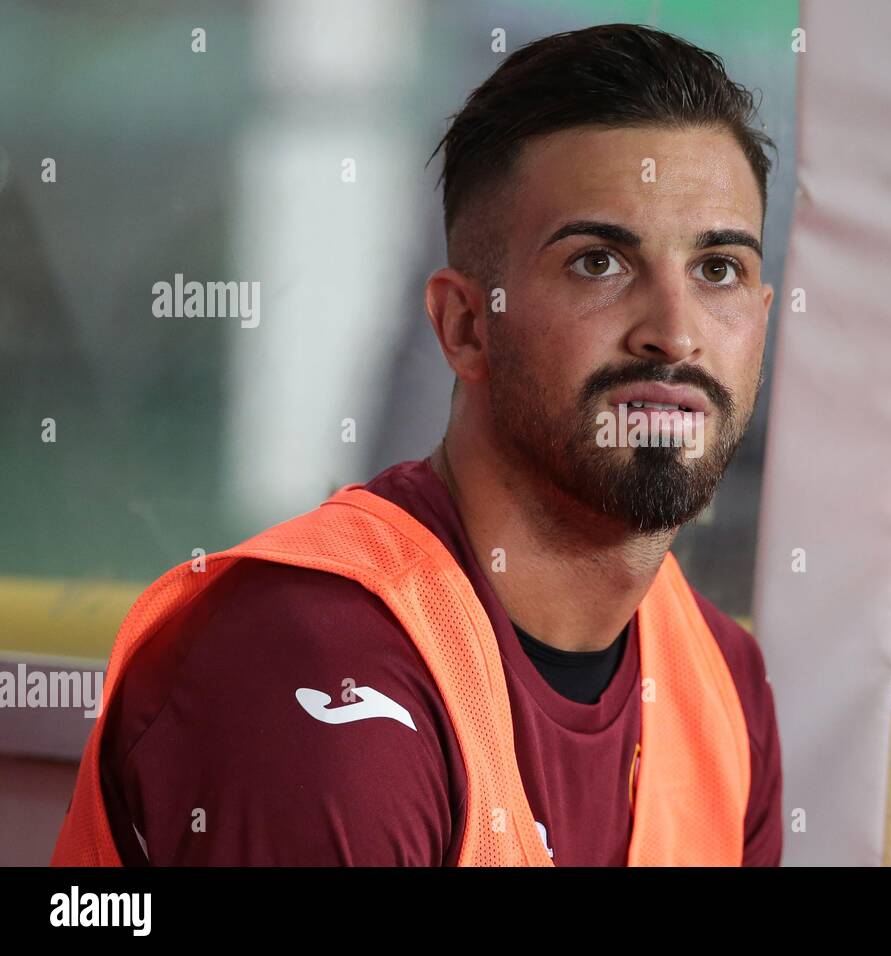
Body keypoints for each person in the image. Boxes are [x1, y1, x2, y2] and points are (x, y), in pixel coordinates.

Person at [52, 22, 782, 867]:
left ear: (763, 324)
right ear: (466, 326)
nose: (674, 333)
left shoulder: (724, 684)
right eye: (598, 263)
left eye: (719, 268)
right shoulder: (322, 671)